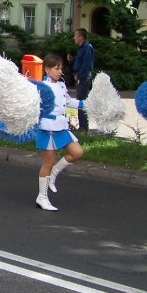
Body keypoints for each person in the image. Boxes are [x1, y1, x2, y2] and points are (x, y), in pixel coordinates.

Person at [34, 54, 85, 211]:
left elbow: (68, 101)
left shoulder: (62, 85)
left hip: (62, 127)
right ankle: (42, 197)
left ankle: (55, 173)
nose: (60, 71)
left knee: (77, 153)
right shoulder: (41, 87)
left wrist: (86, 104)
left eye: (61, 68)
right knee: (48, 162)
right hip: (47, 128)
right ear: (47, 69)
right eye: (57, 68)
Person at [72, 28, 94, 131]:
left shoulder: (87, 47)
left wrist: (79, 76)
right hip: (81, 78)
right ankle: (82, 126)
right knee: (80, 102)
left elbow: (87, 65)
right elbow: (80, 62)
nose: (74, 38)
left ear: (81, 37)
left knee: (82, 102)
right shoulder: (82, 47)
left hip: (83, 79)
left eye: (75, 35)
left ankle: (84, 127)